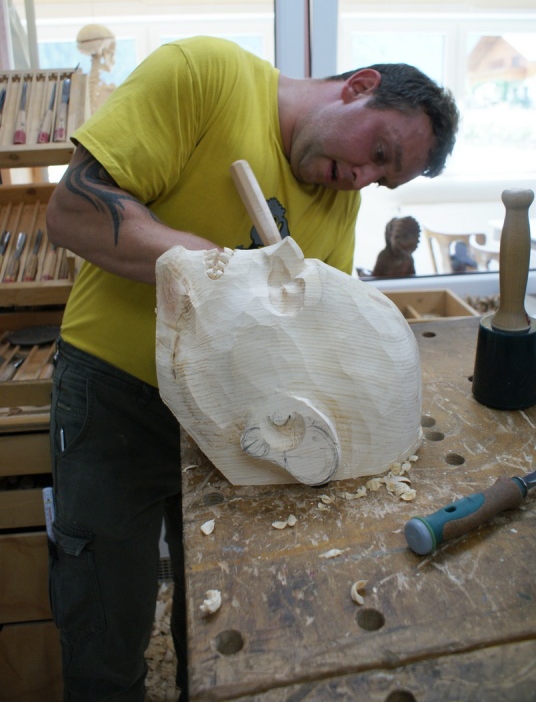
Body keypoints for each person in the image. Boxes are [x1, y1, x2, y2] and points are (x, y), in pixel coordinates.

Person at [45, 35, 459, 701]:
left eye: (382, 179)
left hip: (235, 420)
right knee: (105, 623)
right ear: (360, 86)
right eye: (378, 152)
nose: (362, 178)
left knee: (216, 615)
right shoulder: (203, 76)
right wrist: (221, 270)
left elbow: (310, 340)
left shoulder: (340, 201)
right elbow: (70, 214)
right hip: (116, 396)